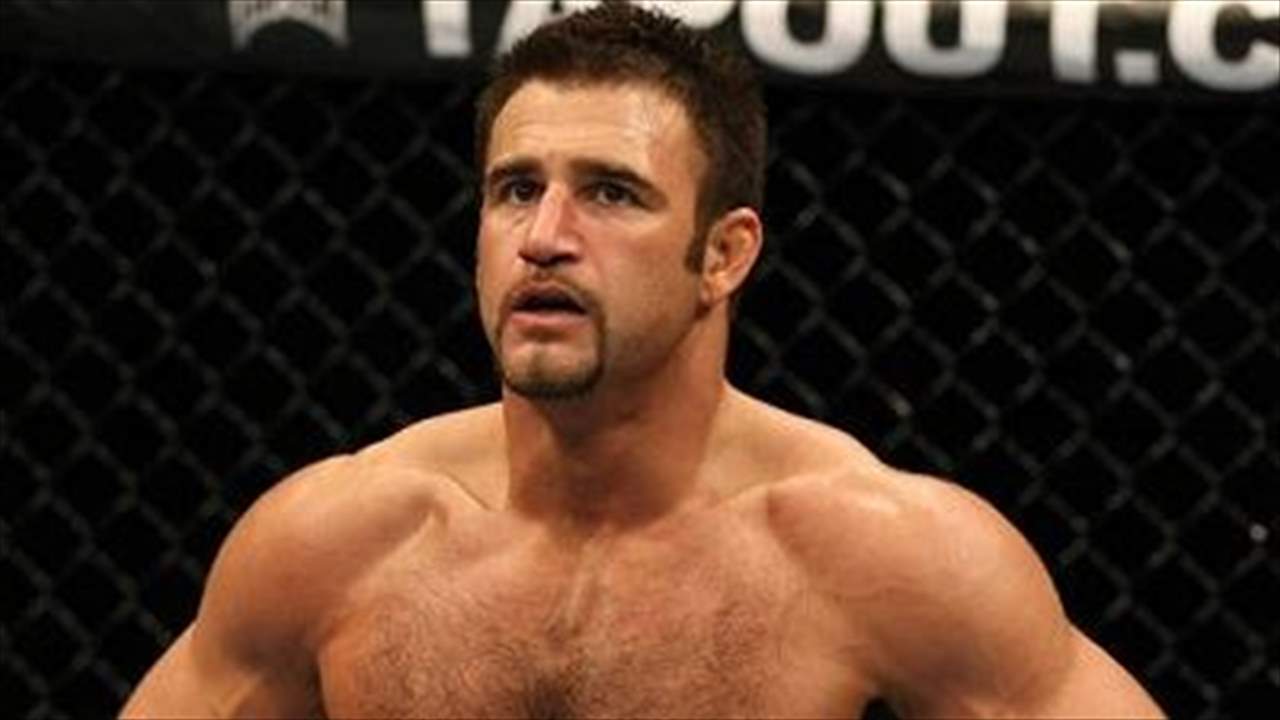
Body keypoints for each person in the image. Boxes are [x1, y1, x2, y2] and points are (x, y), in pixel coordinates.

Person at [121, 4, 1166, 718]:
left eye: (611, 193)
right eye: (515, 189)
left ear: (724, 254)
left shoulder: (881, 554)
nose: (544, 237)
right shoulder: (336, 541)